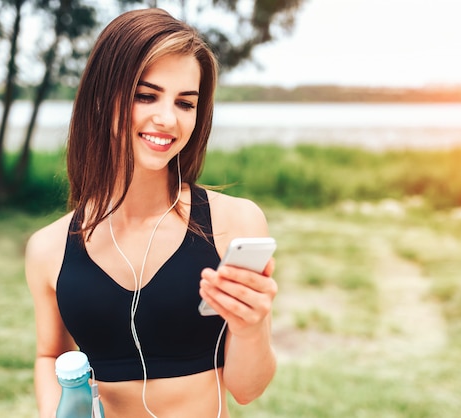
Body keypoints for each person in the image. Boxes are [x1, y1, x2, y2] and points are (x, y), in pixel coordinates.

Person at [25, 8, 278, 418]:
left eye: (185, 103)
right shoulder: (47, 248)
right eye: (146, 95)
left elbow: (247, 390)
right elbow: (48, 356)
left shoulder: (235, 223)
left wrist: (251, 327)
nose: (167, 119)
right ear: (103, 96)